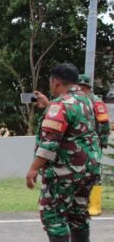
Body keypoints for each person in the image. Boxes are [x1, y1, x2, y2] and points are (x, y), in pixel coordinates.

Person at [27, 63, 101, 242]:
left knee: (53, 212)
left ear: (55, 81)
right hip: (88, 169)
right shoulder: (85, 101)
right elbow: (72, 125)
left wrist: (32, 169)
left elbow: (50, 144)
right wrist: (49, 104)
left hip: (65, 170)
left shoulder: (60, 106)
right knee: (78, 211)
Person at [36, 74, 110, 217]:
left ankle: (95, 205)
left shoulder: (95, 101)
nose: (79, 88)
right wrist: (48, 104)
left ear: (87, 87)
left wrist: (102, 141)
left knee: (91, 177)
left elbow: (104, 122)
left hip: (90, 145)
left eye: (83, 87)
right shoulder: (69, 100)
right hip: (75, 148)